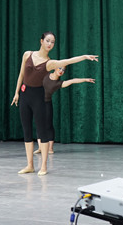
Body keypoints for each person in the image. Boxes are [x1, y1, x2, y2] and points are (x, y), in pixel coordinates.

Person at [11, 31, 98, 176]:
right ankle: (30, 165)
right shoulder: (27, 54)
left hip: (38, 97)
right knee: (27, 131)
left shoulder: (50, 63)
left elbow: (68, 61)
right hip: (25, 95)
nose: (50, 44)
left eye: (52, 42)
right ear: (41, 41)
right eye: (48, 41)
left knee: (42, 131)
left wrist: (84, 57)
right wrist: (16, 92)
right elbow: (21, 74)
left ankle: (43, 166)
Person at [33, 66, 95, 155]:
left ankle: (50, 148)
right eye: (60, 68)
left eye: (63, 70)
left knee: (48, 125)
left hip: (47, 104)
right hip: (37, 103)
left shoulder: (59, 83)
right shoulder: (45, 74)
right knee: (39, 124)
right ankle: (40, 148)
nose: (61, 71)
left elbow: (72, 81)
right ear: (55, 68)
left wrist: (85, 79)